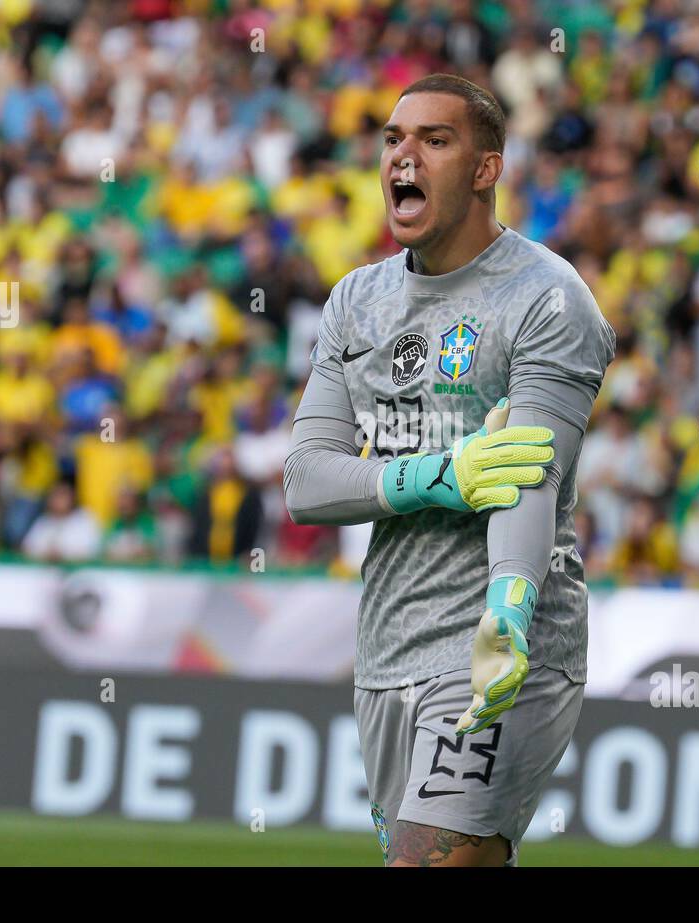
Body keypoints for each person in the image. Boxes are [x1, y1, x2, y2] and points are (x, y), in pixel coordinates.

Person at [284, 74, 614, 867]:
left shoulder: (547, 299)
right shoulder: (355, 303)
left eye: (435, 140)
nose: (405, 156)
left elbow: (529, 480)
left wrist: (509, 610)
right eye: (395, 139)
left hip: (496, 650)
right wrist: (436, 475)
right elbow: (306, 481)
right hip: (388, 647)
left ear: (485, 169)